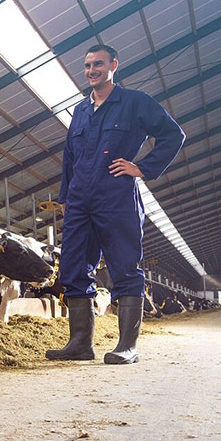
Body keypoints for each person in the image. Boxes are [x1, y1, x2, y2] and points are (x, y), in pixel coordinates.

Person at [46, 44, 185, 364]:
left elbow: (173, 135)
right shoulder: (81, 110)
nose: (91, 70)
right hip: (80, 199)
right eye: (87, 66)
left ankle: (127, 346)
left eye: (98, 64)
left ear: (114, 65)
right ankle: (80, 344)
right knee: (73, 267)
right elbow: (70, 155)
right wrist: (66, 196)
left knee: (124, 267)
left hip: (116, 197)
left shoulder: (135, 102)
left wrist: (143, 168)